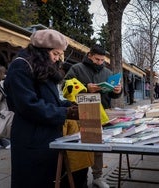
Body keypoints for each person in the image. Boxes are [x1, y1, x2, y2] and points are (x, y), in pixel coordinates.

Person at [4, 29, 79, 188]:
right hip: (31, 137)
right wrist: (65, 112)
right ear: (43, 51)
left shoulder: (42, 66)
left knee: (47, 178)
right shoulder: (20, 67)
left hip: (46, 135)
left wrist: (70, 106)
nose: (57, 59)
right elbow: (28, 105)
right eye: (56, 54)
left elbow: (51, 99)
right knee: (32, 180)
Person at [64, 44, 122, 188]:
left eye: (102, 60)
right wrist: (86, 87)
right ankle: (79, 177)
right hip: (81, 112)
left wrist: (117, 90)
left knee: (98, 146)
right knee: (82, 145)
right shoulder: (76, 68)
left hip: (103, 112)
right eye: (97, 59)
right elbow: (66, 87)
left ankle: (98, 177)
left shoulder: (107, 72)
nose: (100, 63)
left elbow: (114, 94)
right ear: (89, 55)